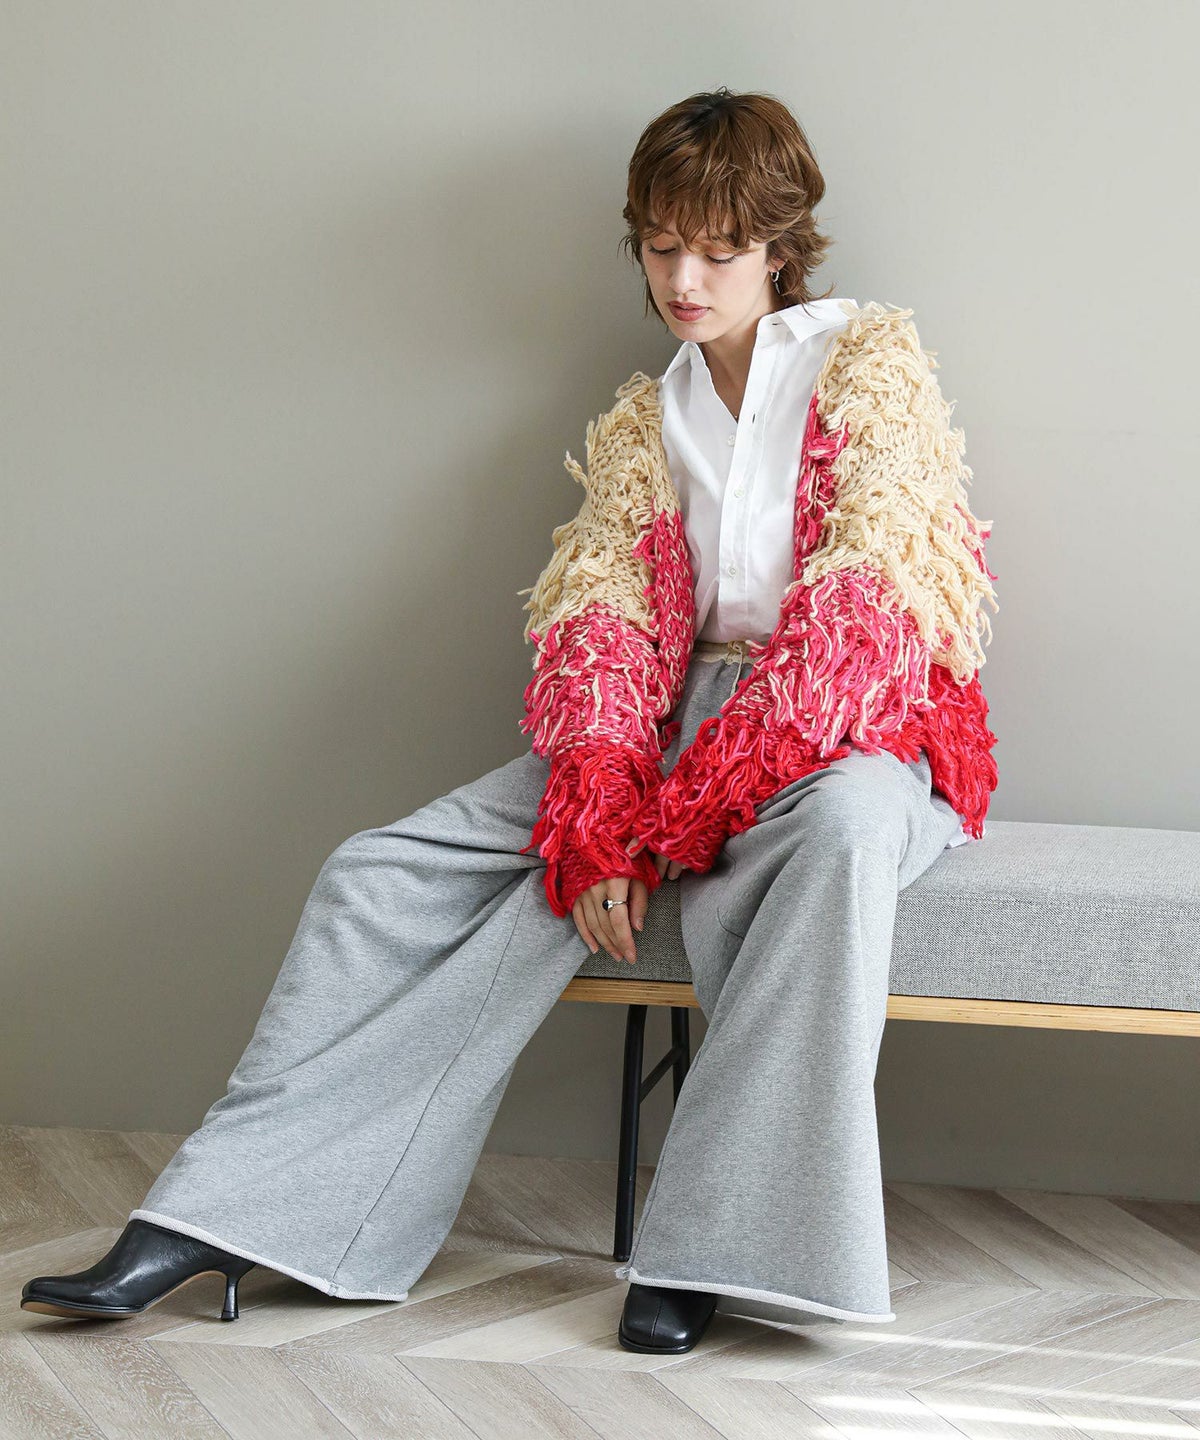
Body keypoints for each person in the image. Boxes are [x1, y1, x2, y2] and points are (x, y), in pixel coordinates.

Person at [20, 87, 998, 1356]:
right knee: (382, 873)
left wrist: (680, 819)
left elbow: (869, 604)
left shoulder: (866, 363)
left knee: (841, 839)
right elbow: (603, 619)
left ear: (778, 246)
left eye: (717, 250)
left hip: (849, 719)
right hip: (677, 721)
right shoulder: (650, 416)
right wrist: (602, 813)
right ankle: (224, 1216)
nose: (683, 280)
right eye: (661, 246)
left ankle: (708, 1250)